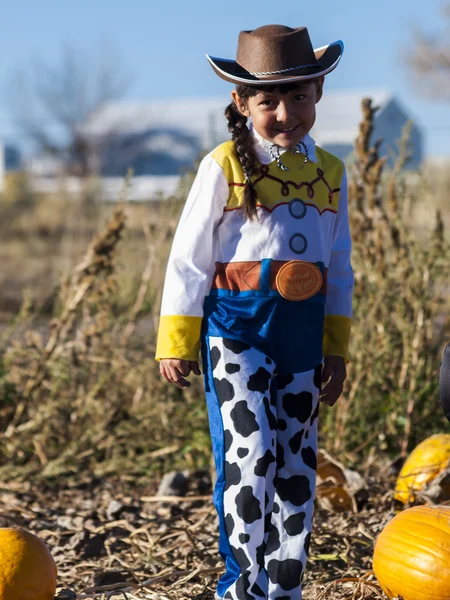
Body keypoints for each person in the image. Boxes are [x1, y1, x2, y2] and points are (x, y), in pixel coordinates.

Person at [156, 24, 354, 600]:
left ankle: (285, 586)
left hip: (301, 337)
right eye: (268, 100)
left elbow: (339, 267)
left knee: (297, 466)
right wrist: (176, 338)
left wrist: (335, 348)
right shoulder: (223, 165)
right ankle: (241, 584)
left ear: (317, 93)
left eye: (298, 96)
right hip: (236, 333)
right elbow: (188, 258)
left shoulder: (332, 173)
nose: (285, 112)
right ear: (242, 104)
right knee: (252, 455)